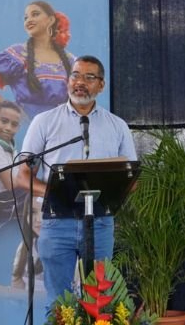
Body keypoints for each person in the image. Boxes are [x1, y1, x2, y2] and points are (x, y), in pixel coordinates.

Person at [17, 55, 137, 309]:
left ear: (101, 85)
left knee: (100, 301)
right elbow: (23, 174)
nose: (80, 82)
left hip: (100, 223)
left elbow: (130, 177)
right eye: (75, 75)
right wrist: (56, 192)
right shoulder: (44, 122)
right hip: (57, 221)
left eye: (89, 77)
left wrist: (113, 191)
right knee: (58, 303)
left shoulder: (117, 126)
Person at [0, 100, 42, 289]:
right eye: (4, 121)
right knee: (37, 200)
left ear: (19, 127)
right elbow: (11, 183)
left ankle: (32, 264)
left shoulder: (10, 147)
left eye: (14, 124)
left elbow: (22, 176)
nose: (8, 127)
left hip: (10, 200)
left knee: (36, 206)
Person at [0, 0, 75, 118]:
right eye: (26, 17)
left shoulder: (69, 60)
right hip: (28, 127)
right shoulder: (18, 54)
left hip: (59, 125)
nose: (29, 20)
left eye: (35, 14)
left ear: (51, 20)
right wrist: (13, 112)